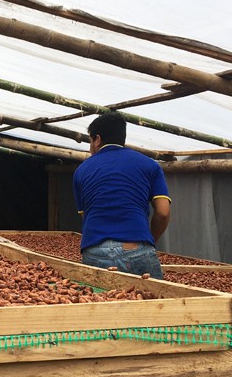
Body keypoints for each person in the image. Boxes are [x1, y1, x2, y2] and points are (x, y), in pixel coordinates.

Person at [73, 112, 171, 279]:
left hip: (95, 249)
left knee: (100, 303)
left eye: (90, 141)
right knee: (153, 302)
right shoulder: (150, 165)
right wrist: (147, 241)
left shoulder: (81, 171)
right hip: (136, 247)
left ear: (97, 139)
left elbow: (87, 216)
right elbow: (163, 212)